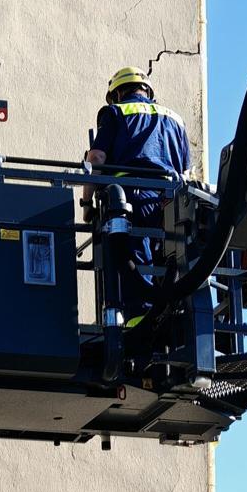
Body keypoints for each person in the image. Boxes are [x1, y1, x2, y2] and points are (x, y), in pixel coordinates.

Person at [83, 66, 192, 326]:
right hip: (171, 202)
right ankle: (171, 316)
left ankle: (139, 323)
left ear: (118, 92)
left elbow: (96, 158)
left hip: (131, 196)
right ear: (148, 92)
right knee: (168, 260)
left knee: (133, 259)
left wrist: (86, 203)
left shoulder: (115, 112)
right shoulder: (176, 120)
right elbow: (187, 172)